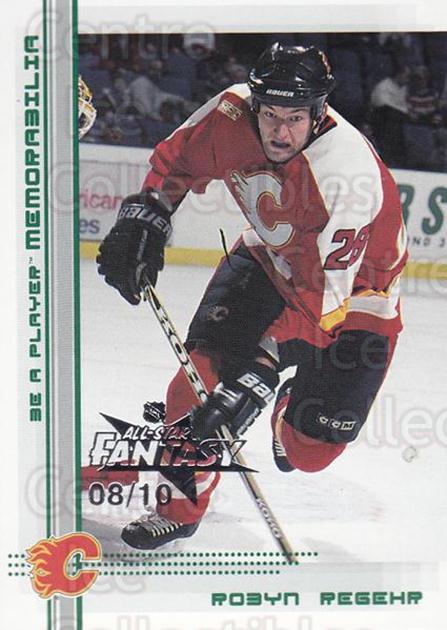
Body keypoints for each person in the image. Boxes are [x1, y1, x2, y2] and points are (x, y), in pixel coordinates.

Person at [97, 43, 408, 549]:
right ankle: (181, 506)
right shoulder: (231, 111)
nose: (279, 132)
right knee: (197, 384)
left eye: (294, 118)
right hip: (267, 260)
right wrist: (147, 214)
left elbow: (321, 309)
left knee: (309, 452)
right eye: (269, 114)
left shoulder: (346, 178)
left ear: (318, 112)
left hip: (356, 301)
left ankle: (291, 406)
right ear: (255, 103)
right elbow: (178, 160)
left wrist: (258, 377)